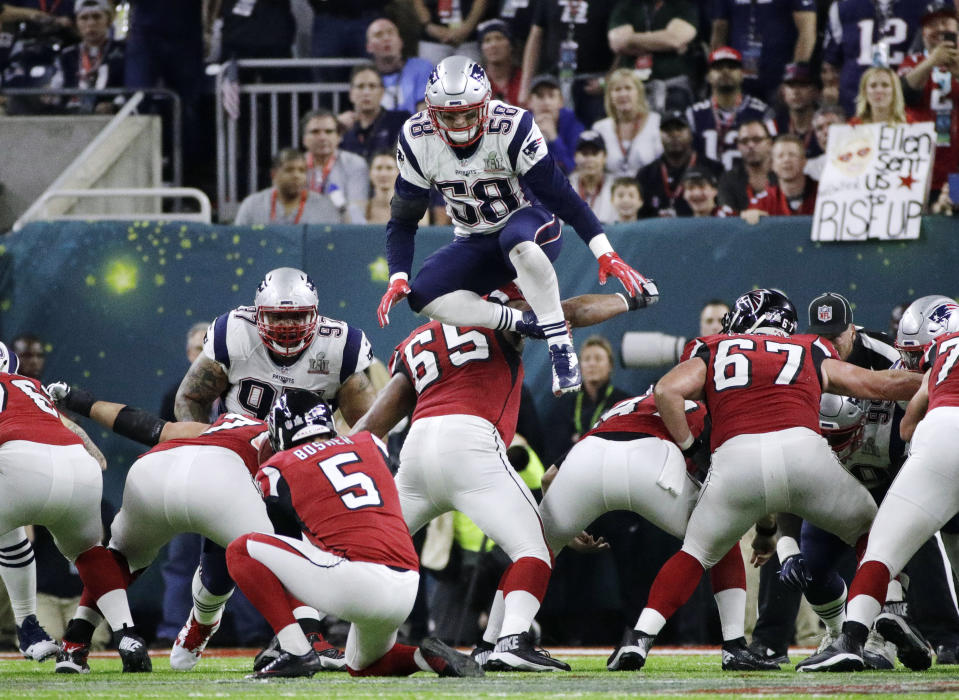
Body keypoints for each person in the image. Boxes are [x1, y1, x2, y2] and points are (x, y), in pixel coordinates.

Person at [612, 288, 921, 671]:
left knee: (696, 552)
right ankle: (872, 621)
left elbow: (666, 391)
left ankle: (640, 639)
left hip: (735, 462)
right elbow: (879, 385)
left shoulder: (712, 346)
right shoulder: (809, 347)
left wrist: (693, 450)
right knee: (873, 535)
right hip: (806, 455)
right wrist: (941, 380)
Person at [356, 286, 644, 670]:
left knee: (368, 556)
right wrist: (631, 299)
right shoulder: (497, 315)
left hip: (416, 453)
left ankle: (319, 637)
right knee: (535, 550)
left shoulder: (415, 340)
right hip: (471, 442)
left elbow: (369, 427)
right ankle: (511, 638)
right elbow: (571, 311)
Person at [377, 56, 658, 397]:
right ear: (432, 112)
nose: (461, 124)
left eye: (469, 112)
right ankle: (527, 322)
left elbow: (561, 196)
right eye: (450, 116)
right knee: (421, 295)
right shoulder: (416, 138)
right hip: (473, 239)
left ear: (487, 102)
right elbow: (404, 218)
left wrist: (605, 252)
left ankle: (560, 347)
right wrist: (398, 276)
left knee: (516, 240)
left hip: (530, 223)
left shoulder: (512, 125)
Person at [46, 382, 347, 673]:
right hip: (220, 478)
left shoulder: (220, 427)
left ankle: (75, 642)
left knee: (119, 559)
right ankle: (308, 639)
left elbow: (145, 425)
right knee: (287, 553)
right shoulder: (277, 446)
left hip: (155, 470)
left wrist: (82, 402)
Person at [170, 267, 377, 667]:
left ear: (315, 314)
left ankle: (310, 637)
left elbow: (365, 422)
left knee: (298, 545)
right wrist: (208, 445)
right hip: (238, 456)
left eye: (297, 316)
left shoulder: (341, 345)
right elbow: (190, 397)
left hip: (303, 461)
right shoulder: (233, 333)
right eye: (278, 316)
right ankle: (202, 620)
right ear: (258, 313)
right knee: (218, 570)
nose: (286, 325)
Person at [227, 391, 482, 678]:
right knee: (363, 665)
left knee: (240, 550)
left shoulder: (276, 468)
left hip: (357, 581)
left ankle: (295, 649)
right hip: (406, 583)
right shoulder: (370, 443)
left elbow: (290, 542)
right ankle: (424, 657)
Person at [541, 390, 779, 672]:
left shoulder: (619, 407)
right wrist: (767, 529)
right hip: (652, 463)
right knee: (720, 533)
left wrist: (567, 531)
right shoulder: (707, 412)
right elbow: (743, 479)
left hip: (590, 459)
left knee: (531, 549)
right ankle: (729, 645)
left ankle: (500, 639)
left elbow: (548, 477)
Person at [800, 296, 959, 672]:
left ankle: (853, 638)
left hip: (928, 446)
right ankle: (868, 634)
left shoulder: (926, 357)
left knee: (880, 555)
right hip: (848, 480)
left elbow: (906, 428)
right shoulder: (809, 360)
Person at [0, 344, 149, 674]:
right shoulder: (32, 387)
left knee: (7, 534)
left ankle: (27, 627)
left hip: (22, 470)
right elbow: (72, 430)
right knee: (89, 552)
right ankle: (128, 634)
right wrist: (92, 450)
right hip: (80, 469)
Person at [517, 0, 616, 126]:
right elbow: (535, 36)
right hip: (554, 82)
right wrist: (525, 86)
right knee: (549, 133)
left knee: (590, 138)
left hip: (592, 84)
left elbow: (619, 49)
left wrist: (608, 79)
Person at [898, 1, 959, 199]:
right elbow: (904, 93)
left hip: (956, 167)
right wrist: (932, 62)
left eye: (945, 22)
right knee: (923, 224)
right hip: (919, 169)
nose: (940, 28)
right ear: (923, 32)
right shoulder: (912, 62)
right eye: (932, 24)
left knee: (953, 223)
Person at [822, 0, 923, 116]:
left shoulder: (924, 5)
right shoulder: (842, 8)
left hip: (909, 102)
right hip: (854, 100)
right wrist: (831, 86)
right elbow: (831, 61)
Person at [543, 335, 631, 466]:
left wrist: (579, 439)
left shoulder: (623, 402)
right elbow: (555, 445)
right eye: (586, 359)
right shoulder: (566, 403)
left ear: (610, 365)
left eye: (598, 359)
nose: (592, 363)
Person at [687, 47, 776, 170]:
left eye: (732, 67)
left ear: (742, 74)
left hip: (747, 184)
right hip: (706, 185)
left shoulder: (762, 113)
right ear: (708, 76)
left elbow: (773, 154)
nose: (725, 71)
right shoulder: (694, 114)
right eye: (718, 68)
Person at [709, 0, 816, 103]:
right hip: (740, 78)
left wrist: (792, 79)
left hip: (779, 77)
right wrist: (718, 77)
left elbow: (807, 32)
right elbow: (719, 33)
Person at [607, 0, 698, 113]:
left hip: (673, 86)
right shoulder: (626, 6)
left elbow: (675, 40)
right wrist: (664, 42)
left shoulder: (683, 6)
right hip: (633, 87)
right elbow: (617, 43)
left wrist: (630, 39)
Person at [637, 110, 724, 218]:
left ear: (691, 133)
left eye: (679, 129)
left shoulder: (713, 169)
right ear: (659, 135)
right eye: (668, 130)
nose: (674, 134)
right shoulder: (645, 174)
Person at [50, 0, 124, 114]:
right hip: (72, 116)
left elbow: (132, 87)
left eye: (96, 17)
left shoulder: (123, 51)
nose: (90, 23)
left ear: (108, 21)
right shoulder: (68, 55)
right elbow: (56, 88)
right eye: (84, 18)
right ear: (77, 23)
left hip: (113, 116)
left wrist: (115, 105)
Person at [233, 149, 342, 226]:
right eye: (289, 170)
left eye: (302, 171)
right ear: (274, 174)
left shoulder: (324, 206)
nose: (296, 176)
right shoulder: (252, 205)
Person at [590, 68, 663, 177]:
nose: (623, 94)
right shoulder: (600, 128)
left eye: (628, 88)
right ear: (610, 96)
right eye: (617, 89)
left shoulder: (656, 122)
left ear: (639, 92)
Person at [301, 109, 370, 223]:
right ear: (304, 139)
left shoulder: (355, 164)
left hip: (342, 232)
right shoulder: (294, 166)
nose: (322, 137)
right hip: (302, 232)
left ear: (339, 137)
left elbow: (357, 213)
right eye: (315, 132)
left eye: (329, 131)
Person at [338, 65, 410, 164]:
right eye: (360, 86)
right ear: (351, 94)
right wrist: (336, 126)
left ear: (382, 92)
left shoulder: (401, 120)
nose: (366, 92)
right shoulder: (342, 128)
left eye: (372, 86)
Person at [741, 134, 817, 223]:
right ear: (772, 164)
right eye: (780, 156)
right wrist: (749, 216)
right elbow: (746, 218)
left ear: (804, 161)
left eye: (792, 155)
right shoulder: (764, 202)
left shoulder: (823, 193)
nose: (786, 160)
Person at [365, 18, 433, 116]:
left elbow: (425, 112)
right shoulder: (365, 75)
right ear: (369, 47)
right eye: (378, 35)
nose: (386, 38)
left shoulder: (421, 67)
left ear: (401, 42)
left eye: (390, 33)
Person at [526, 73, 584, 174]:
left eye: (551, 96)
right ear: (530, 101)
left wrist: (554, 137)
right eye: (540, 96)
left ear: (561, 101)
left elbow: (573, 169)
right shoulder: (519, 127)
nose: (546, 102)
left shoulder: (574, 126)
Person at [717, 119, 775, 211]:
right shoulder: (729, 179)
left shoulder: (783, 176)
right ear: (738, 146)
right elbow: (727, 218)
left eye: (757, 140)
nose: (750, 145)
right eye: (744, 141)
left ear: (770, 144)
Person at [412, 0, 487, 66]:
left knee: (471, 78)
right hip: (432, 38)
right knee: (431, 77)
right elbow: (418, 3)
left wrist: (468, 27)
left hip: (469, 38)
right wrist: (429, 26)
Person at [568, 130, 616, 224]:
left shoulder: (616, 187)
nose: (589, 159)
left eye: (594, 154)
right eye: (585, 154)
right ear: (575, 157)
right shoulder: (564, 187)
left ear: (605, 157)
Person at [774, 63, 822, 158]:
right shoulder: (775, 126)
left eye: (802, 85)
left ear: (815, 91)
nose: (796, 92)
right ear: (783, 92)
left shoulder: (826, 125)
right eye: (791, 85)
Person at [477, 19, 520, 107]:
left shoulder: (523, 79)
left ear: (511, 45)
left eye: (499, 38)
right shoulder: (474, 82)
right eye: (487, 40)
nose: (493, 45)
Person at [805, 104, 847, 180]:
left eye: (831, 125)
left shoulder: (865, 160)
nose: (826, 132)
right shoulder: (810, 169)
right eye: (819, 128)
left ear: (845, 127)